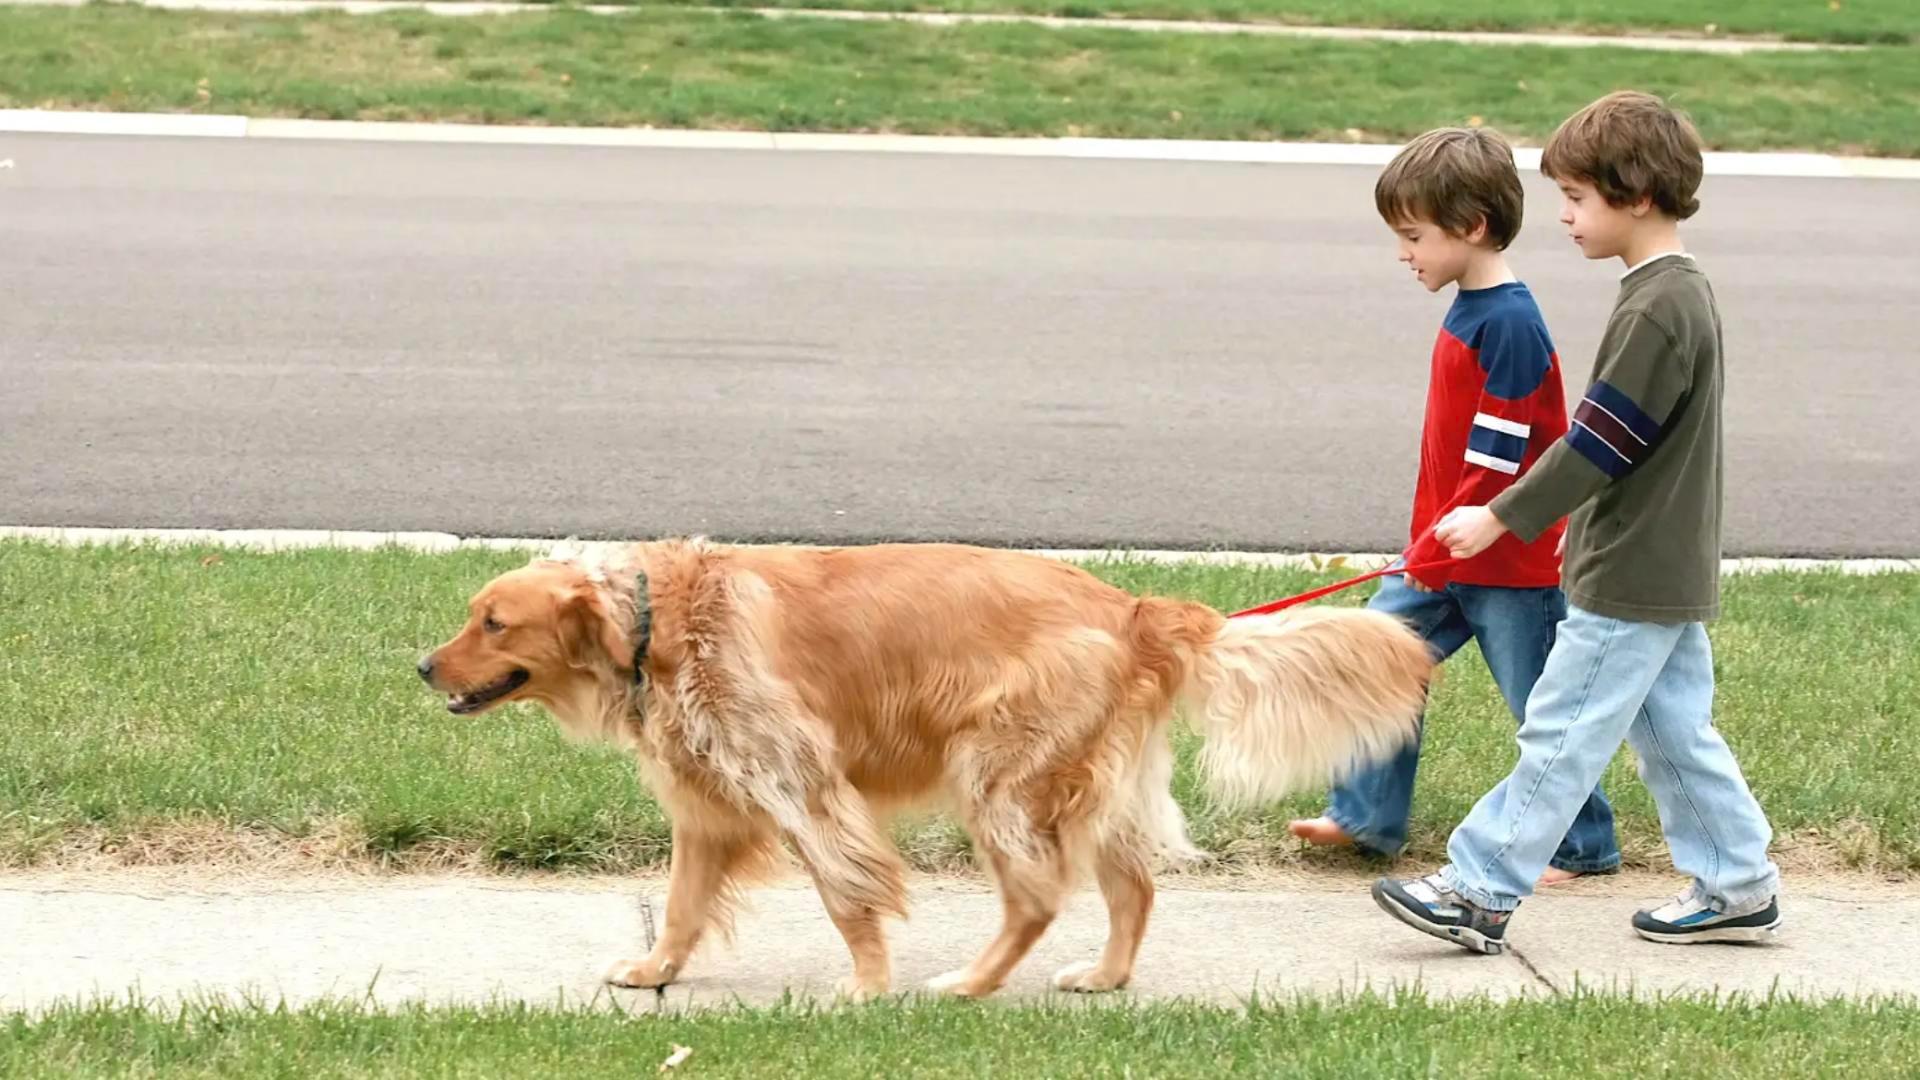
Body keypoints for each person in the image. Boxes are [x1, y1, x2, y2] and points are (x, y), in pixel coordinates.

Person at [1372, 91, 1783, 955]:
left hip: (1632, 567)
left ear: (1637, 196)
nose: (1563, 215)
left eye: (1577, 197)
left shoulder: (1659, 307)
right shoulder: (1669, 293)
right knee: (1674, 734)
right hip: (1659, 564)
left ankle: (1478, 888)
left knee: (1561, 730)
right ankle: (1738, 883)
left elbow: (1600, 441)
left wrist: (1500, 516)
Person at [1287, 125, 1620, 885]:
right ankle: (1366, 816)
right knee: (1376, 660)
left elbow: (1497, 461)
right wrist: (1430, 547)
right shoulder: (1474, 308)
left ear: (1470, 227)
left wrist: (1441, 547)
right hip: (1444, 554)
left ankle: (1583, 843)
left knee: (1542, 705)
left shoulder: (1509, 323)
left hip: (1508, 563)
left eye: (1413, 236)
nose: (1403, 253)